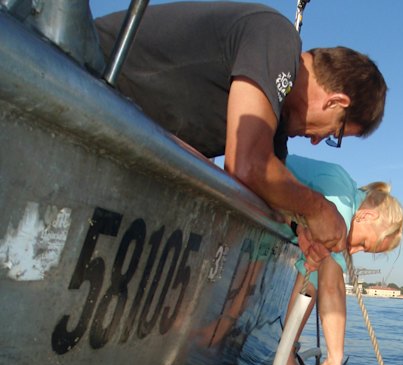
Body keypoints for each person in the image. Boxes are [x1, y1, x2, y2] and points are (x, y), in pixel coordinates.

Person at [95, 2, 387, 255]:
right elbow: (246, 165)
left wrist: (301, 230)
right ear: (336, 101)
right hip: (85, 73)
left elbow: (267, 194)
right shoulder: (277, 37)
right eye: (333, 134)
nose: (315, 141)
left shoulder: (276, 126)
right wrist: (319, 208)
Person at [282, 154, 403, 365]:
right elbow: (331, 286)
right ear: (367, 216)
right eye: (363, 244)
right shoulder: (341, 198)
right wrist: (335, 356)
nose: (355, 251)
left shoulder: (344, 202)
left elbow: (308, 285)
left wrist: (287, 350)